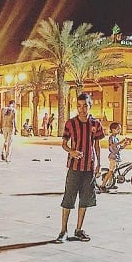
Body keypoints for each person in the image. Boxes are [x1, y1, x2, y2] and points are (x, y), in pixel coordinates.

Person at [53, 93, 105, 243]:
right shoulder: (70, 123)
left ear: (90, 106)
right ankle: (63, 230)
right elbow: (63, 143)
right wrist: (71, 151)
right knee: (68, 198)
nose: (82, 109)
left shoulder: (95, 124)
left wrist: (98, 164)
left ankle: (78, 229)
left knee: (85, 199)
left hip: (89, 167)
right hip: (74, 167)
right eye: (79, 106)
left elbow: (97, 145)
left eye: (85, 106)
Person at [99, 122, 132, 193]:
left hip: (117, 157)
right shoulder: (111, 138)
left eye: (119, 129)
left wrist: (126, 144)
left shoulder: (116, 138)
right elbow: (112, 146)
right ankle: (103, 185)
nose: (119, 130)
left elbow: (119, 148)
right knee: (111, 171)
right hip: (113, 157)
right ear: (113, 130)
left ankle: (111, 184)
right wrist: (121, 142)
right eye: (118, 129)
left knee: (115, 171)